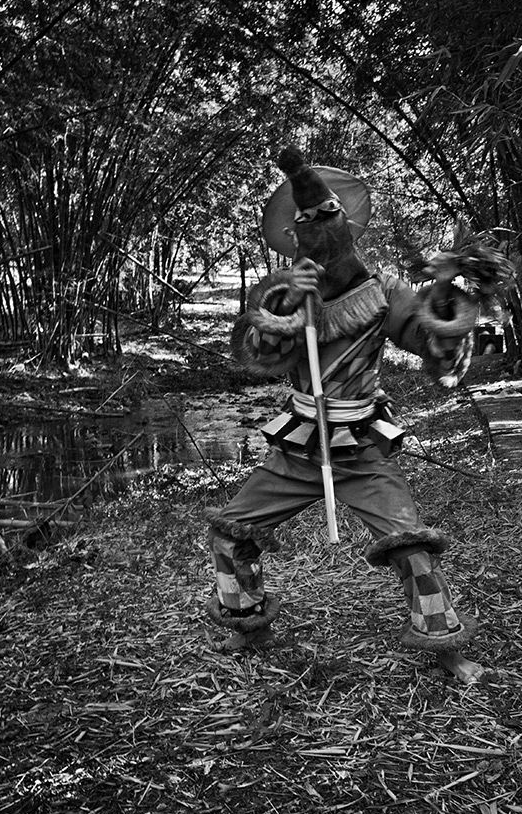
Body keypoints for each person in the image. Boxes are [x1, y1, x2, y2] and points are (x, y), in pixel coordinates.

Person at [202, 145, 490, 684]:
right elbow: (259, 351)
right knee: (230, 533)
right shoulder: (284, 292)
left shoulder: (383, 292)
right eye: (308, 223)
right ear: (293, 237)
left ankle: (445, 646)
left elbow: (429, 340)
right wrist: (287, 305)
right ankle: (248, 627)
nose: (321, 231)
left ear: (349, 226)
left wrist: (449, 295)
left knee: (412, 547)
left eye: (329, 218)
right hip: (298, 447)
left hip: (360, 448)